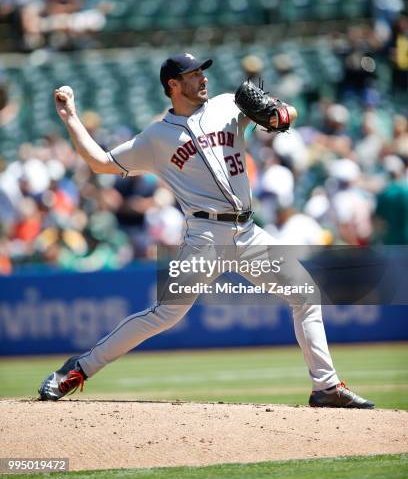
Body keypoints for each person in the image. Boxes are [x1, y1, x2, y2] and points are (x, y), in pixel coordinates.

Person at [38, 53, 374, 408]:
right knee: (165, 314)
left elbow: (285, 114)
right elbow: (100, 163)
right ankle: (76, 369)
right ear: (173, 84)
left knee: (305, 295)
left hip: (248, 233)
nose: (203, 79)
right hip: (205, 238)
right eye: (194, 74)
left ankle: (325, 387)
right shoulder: (156, 138)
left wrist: (281, 113)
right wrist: (71, 118)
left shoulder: (228, 105)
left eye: (202, 72)